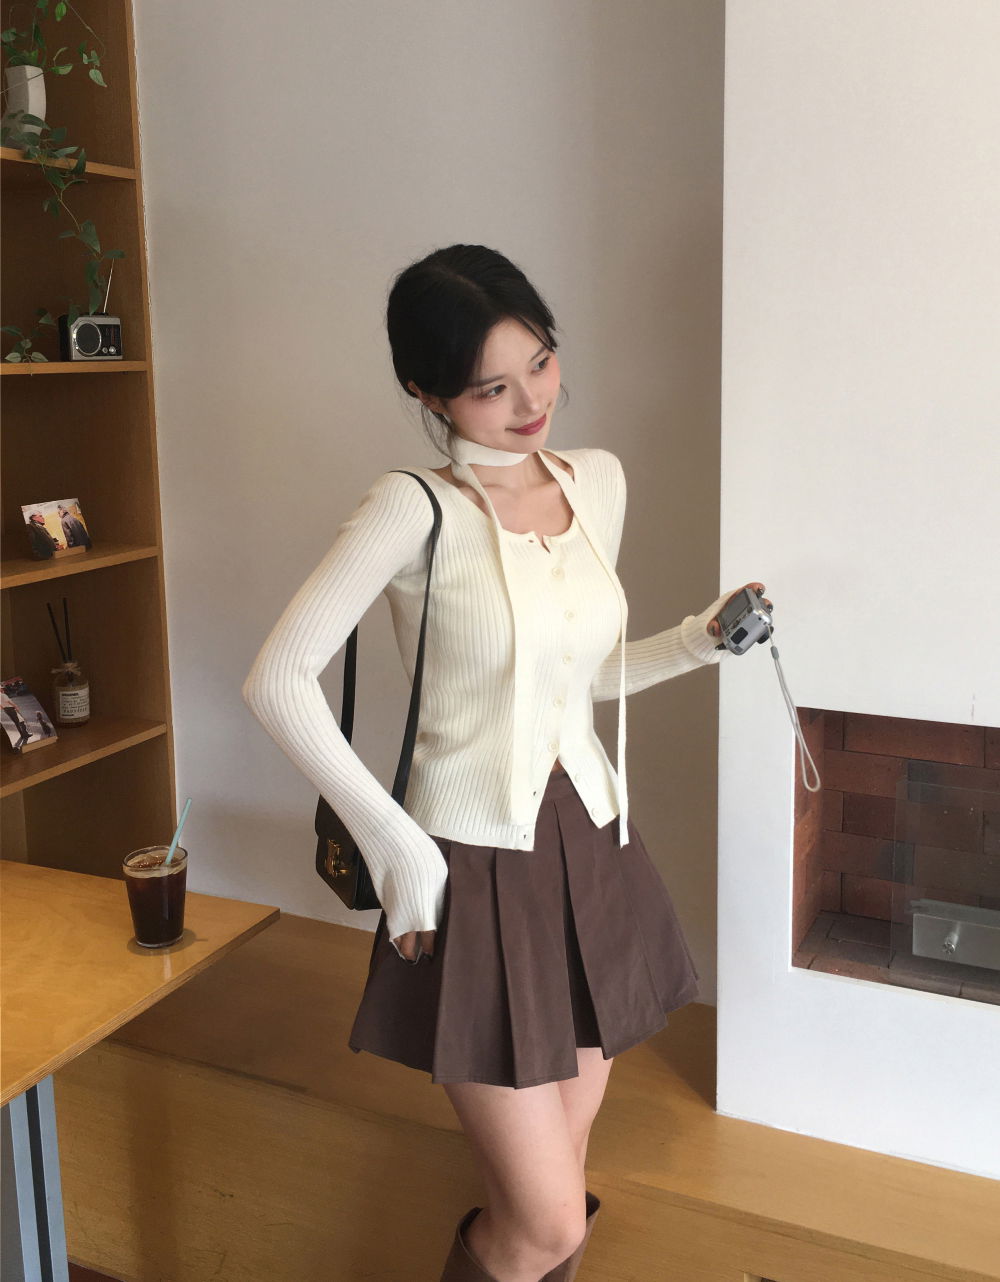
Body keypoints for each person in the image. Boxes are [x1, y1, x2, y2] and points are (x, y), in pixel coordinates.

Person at [242, 244, 770, 1282]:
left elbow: (575, 678)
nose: (532, 402)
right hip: (470, 867)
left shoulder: (596, 482)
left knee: (554, 1195)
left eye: (540, 361)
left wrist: (700, 641)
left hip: (594, 850)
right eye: (491, 387)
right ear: (426, 391)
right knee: (547, 1221)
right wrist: (399, 848)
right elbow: (278, 679)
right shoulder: (411, 506)